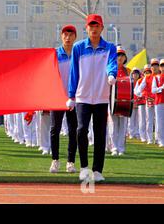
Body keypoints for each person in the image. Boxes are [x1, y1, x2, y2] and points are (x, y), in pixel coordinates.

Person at [67, 14, 117, 182]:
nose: (94, 29)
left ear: (102, 28)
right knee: (81, 130)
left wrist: (111, 74)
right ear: (86, 28)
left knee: (100, 133)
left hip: (102, 97)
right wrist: (71, 95)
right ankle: (84, 167)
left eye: (97, 26)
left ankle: (97, 170)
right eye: (91, 26)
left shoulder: (109, 47)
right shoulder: (78, 48)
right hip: (82, 97)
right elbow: (73, 72)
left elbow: (112, 63)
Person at [49, 24, 78, 173]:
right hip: (58, 97)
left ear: (75, 37)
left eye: (71, 35)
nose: (68, 38)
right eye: (65, 35)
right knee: (55, 129)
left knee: (74, 130)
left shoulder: (77, 54)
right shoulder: (54, 54)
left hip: (74, 98)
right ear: (61, 37)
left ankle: (70, 162)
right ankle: (55, 160)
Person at [110, 46, 131, 156]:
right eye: (118, 55)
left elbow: (131, 86)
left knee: (123, 125)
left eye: (122, 55)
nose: (120, 57)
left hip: (125, 101)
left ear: (125, 58)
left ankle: (121, 148)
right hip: (112, 100)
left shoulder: (128, 71)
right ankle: (114, 147)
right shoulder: (110, 68)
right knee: (113, 124)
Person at [136, 60, 158, 144]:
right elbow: (139, 88)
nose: (154, 67)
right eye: (153, 65)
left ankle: (158, 139)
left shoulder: (160, 76)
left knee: (158, 121)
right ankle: (149, 139)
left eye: (156, 65)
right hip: (149, 100)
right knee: (149, 120)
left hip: (159, 101)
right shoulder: (147, 77)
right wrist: (140, 94)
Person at [151, 59, 164, 147]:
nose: (163, 67)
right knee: (159, 122)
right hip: (159, 102)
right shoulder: (156, 77)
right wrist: (161, 88)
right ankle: (160, 140)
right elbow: (153, 90)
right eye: (162, 66)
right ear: (160, 67)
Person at [128, 67, 141, 140]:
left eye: (136, 73)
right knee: (131, 119)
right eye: (134, 73)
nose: (135, 75)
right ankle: (131, 133)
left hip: (139, 102)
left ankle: (137, 133)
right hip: (132, 102)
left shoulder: (141, 82)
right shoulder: (130, 82)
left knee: (138, 119)